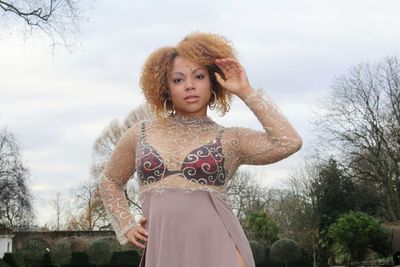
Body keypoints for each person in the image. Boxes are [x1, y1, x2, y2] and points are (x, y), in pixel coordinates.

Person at [99, 32, 302, 267]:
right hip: (163, 251)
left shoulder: (230, 139)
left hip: (220, 249)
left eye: (199, 76)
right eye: (178, 80)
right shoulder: (140, 133)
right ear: (165, 87)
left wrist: (245, 90)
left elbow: (289, 142)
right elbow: (109, 181)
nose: (189, 86)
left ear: (213, 82)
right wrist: (126, 224)